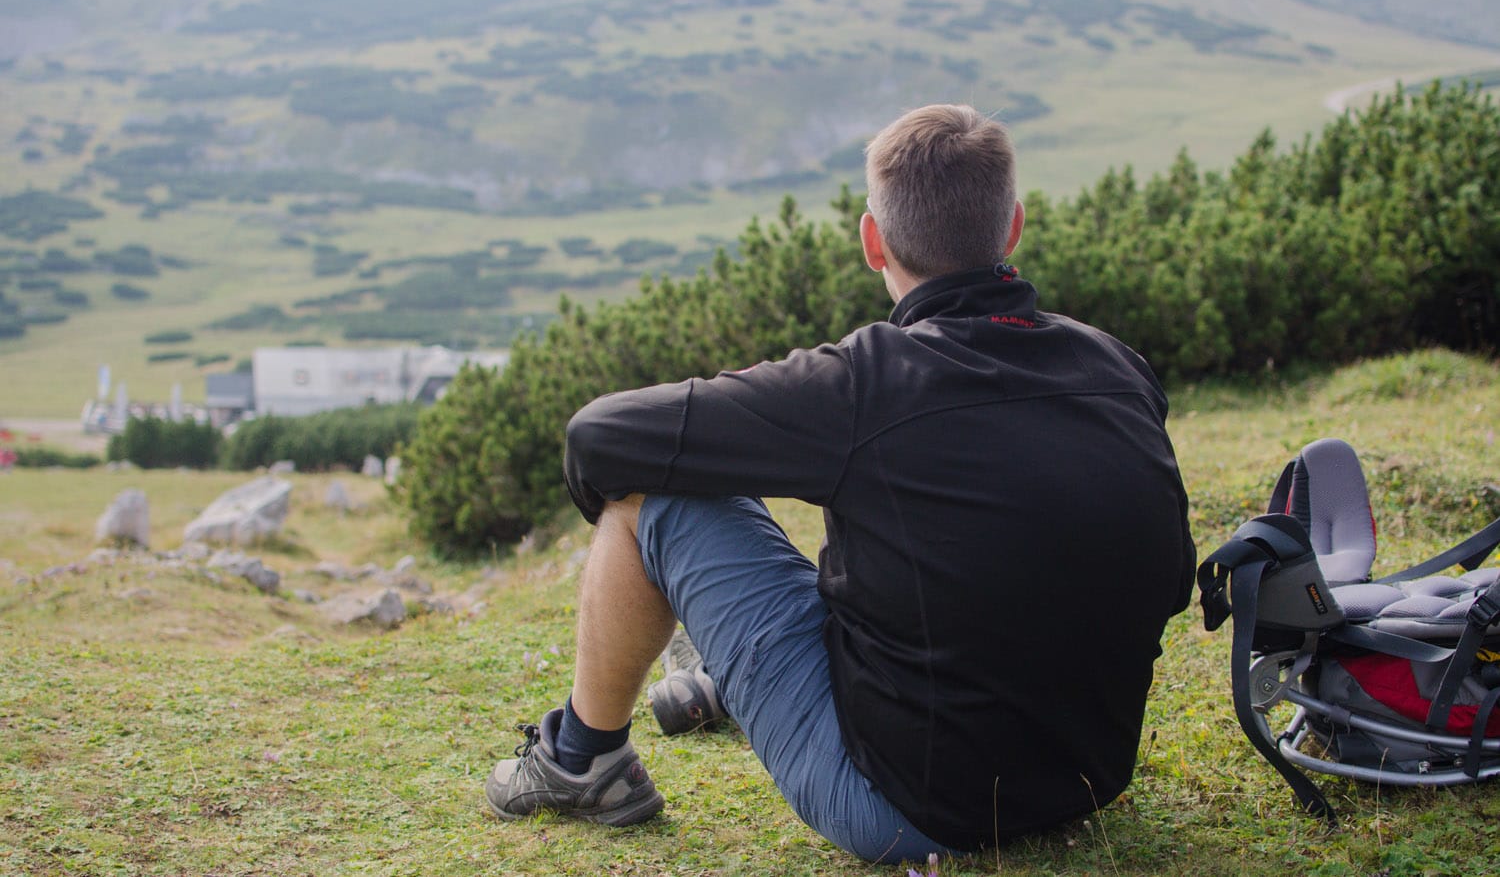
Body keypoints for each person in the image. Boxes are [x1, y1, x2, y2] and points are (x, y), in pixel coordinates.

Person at [485, 103, 1195, 862]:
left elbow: (598, 438)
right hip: (1087, 776)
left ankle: (580, 758)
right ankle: (726, 677)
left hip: (906, 809)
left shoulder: (863, 384)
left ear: (872, 241)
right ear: (1012, 227)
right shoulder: (1117, 367)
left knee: (651, 495)